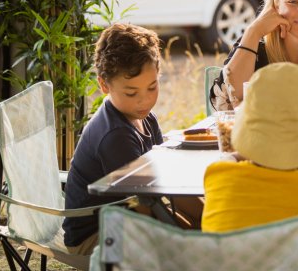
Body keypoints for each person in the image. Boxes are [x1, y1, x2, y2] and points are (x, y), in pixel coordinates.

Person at [63, 23, 200, 250]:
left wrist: (208, 220)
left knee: (205, 227)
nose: (144, 100)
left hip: (132, 213)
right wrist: (196, 236)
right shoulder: (115, 137)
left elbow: (168, 183)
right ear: (104, 84)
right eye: (131, 92)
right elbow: (145, 210)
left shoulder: (145, 117)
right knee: (191, 244)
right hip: (97, 234)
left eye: (152, 87)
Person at [202, 62, 298, 233]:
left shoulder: (218, 173)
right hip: (295, 252)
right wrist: (297, 160)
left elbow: (231, 157)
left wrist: (260, 153)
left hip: (225, 251)